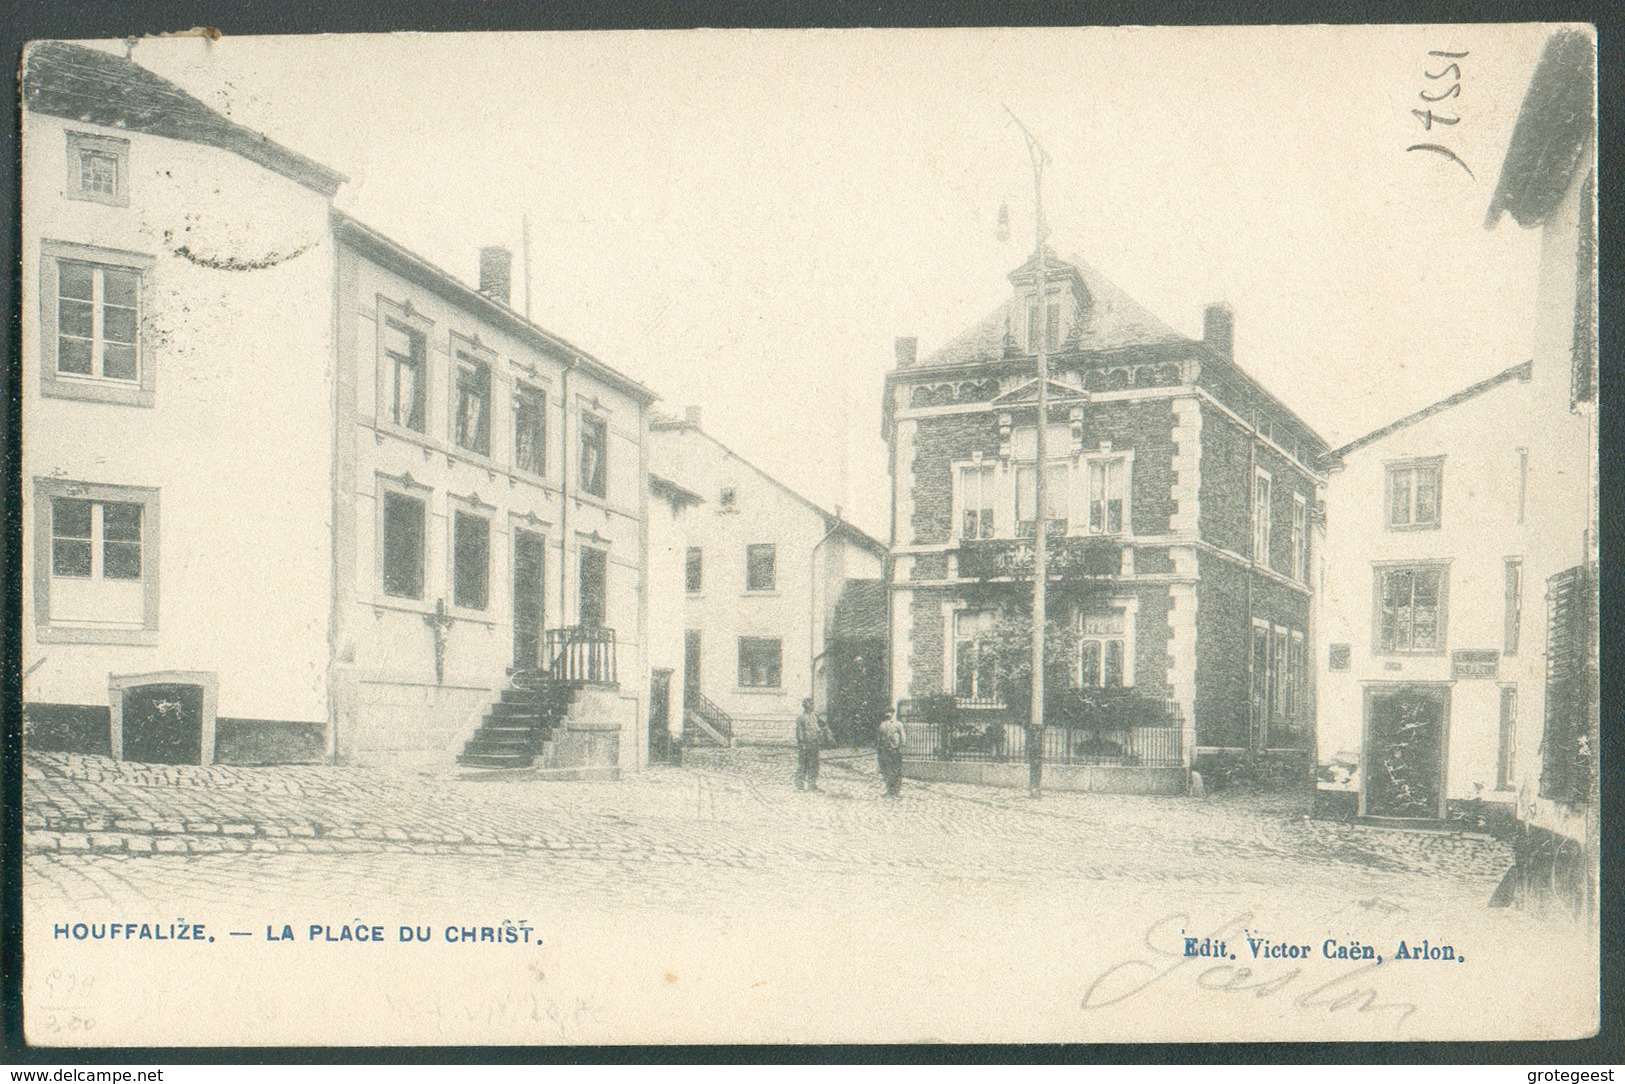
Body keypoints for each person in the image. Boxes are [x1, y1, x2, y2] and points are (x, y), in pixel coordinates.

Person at [794, 698, 832, 791]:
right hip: (805, 744)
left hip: (814, 743)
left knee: (814, 764)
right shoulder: (801, 718)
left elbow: (823, 725)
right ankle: (800, 785)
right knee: (803, 764)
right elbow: (799, 732)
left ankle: (812, 784)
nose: (812, 706)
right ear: (805, 706)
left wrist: (823, 731)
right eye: (810, 705)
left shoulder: (815, 716)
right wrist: (802, 742)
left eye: (812, 705)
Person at [875, 705, 906, 797]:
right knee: (887, 771)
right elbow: (879, 738)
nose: (888, 714)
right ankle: (888, 790)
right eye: (886, 712)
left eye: (890, 712)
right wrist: (879, 749)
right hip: (885, 750)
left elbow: (903, 737)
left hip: (895, 750)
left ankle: (896, 791)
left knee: (896, 770)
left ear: (893, 713)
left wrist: (900, 747)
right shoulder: (882, 724)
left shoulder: (898, 724)